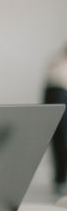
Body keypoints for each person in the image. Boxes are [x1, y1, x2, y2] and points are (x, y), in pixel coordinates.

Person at [44, 46, 67, 193]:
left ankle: (60, 178)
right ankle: (60, 178)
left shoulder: (56, 62)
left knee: (60, 139)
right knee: (61, 139)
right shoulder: (58, 63)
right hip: (58, 93)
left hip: (53, 94)